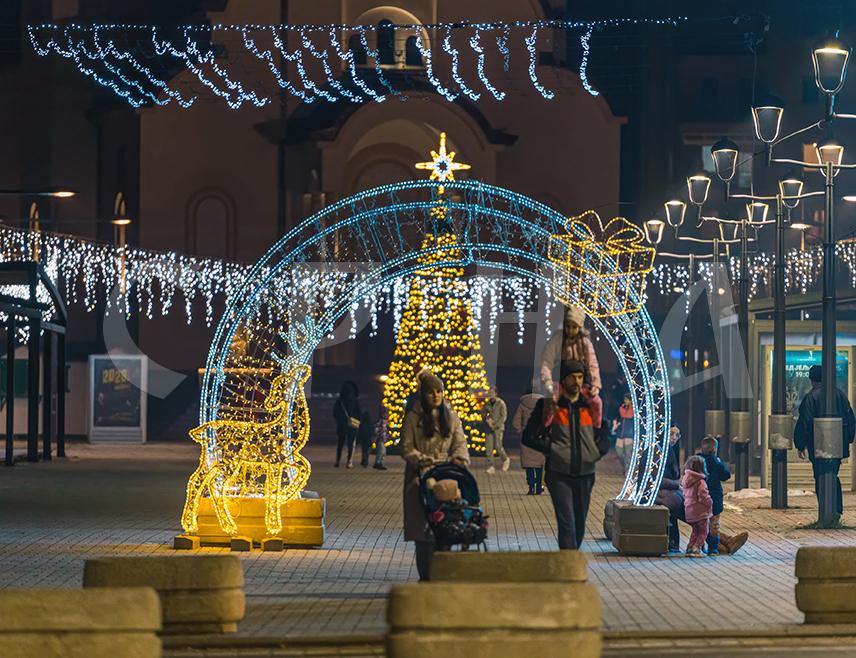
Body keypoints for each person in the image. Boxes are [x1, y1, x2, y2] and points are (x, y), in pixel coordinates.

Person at [522, 359, 609, 550]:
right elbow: (528, 436)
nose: (577, 381)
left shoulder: (590, 405)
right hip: (558, 474)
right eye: (572, 377)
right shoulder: (549, 405)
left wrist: (596, 452)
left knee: (579, 524)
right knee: (567, 523)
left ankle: (571, 557)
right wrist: (553, 450)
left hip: (585, 474)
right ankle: (569, 562)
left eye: (580, 377)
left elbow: (605, 433)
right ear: (563, 379)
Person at [401, 371, 470, 581]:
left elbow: (460, 442)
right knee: (423, 532)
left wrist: (459, 458)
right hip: (420, 476)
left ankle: (441, 575)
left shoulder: (450, 416)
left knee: (446, 525)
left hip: (445, 476)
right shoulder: (413, 417)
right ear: (423, 394)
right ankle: (425, 576)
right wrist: (422, 459)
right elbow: (406, 447)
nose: (436, 396)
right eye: (431, 392)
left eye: (439, 391)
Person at [794, 364, 856, 527]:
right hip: (836, 447)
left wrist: (800, 444)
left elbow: (805, 422)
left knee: (821, 477)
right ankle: (836, 511)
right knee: (833, 476)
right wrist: (846, 440)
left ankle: (826, 514)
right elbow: (851, 419)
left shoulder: (811, 397)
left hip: (818, 446)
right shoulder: (840, 395)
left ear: (812, 379)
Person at [540, 305, 603, 427]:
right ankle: (545, 427)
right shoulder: (557, 339)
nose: (570, 330)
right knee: (551, 400)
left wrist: (595, 385)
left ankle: (596, 428)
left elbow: (592, 364)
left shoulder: (585, 342)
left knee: (597, 402)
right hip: (561, 380)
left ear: (579, 327)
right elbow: (546, 362)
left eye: (574, 327)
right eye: (567, 326)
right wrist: (547, 381)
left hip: (580, 382)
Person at [655, 424, 685, 553]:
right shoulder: (659, 452)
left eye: (677, 435)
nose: (674, 437)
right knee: (691, 510)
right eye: (671, 434)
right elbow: (657, 479)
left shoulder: (669, 450)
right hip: (659, 494)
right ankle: (717, 541)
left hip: (667, 492)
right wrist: (677, 485)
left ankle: (719, 540)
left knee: (694, 511)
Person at [513, 387, 545, 495]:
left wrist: (519, 429)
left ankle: (531, 487)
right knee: (540, 465)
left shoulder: (522, 405)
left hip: (527, 434)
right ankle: (539, 488)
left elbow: (516, 421)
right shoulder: (543, 404)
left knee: (529, 464)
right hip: (540, 435)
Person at [681, 455, 712, 558]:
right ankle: (696, 549)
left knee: (695, 531)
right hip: (701, 512)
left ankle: (690, 548)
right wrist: (710, 502)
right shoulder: (700, 481)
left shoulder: (686, 479)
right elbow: (703, 496)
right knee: (703, 532)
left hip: (689, 510)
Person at [333, 380, 362, 468]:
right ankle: (349, 461)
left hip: (342, 424)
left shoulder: (340, 400)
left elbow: (335, 413)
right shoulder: (355, 400)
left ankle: (338, 460)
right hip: (352, 425)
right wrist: (356, 420)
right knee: (351, 444)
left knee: (340, 443)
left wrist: (340, 420)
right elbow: (359, 412)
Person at [483, 386, 510, 474]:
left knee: (498, 446)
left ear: (496, 394)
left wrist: (496, 425)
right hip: (489, 428)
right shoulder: (487, 404)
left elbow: (503, 416)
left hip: (498, 428)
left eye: (492, 393)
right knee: (489, 447)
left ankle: (505, 459)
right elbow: (484, 413)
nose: (490, 394)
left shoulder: (501, 403)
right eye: (489, 393)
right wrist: (487, 420)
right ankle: (491, 466)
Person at [614, 394, 635, 469]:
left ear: (631, 401)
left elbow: (629, 415)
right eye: (625, 399)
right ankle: (625, 466)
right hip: (620, 433)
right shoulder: (622, 408)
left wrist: (625, 409)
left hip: (629, 433)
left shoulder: (634, 409)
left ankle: (627, 469)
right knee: (619, 452)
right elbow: (618, 417)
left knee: (628, 454)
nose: (625, 401)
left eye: (627, 399)